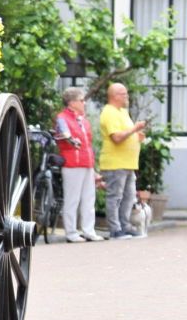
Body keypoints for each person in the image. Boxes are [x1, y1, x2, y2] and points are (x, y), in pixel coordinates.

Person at [55, 87, 104, 243]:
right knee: (72, 199)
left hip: (86, 163)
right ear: (72, 102)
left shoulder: (83, 120)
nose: (84, 103)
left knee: (89, 199)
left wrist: (93, 168)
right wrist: (70, 139)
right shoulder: (62, 117)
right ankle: (71, 232)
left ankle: (89, 230)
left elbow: (88, 144)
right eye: (82, 100)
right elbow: (64, 135)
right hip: (72, 163)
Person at [99, 83, 147, 239]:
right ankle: (115, 229)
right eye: (124, 94)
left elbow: (126, 134)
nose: (127, 97)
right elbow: (116, 137)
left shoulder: (123, 112)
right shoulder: (109, 112)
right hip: (115, 163)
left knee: (128, 196)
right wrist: (134, 129)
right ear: (115, 96)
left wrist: (136, 136)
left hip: (128, 163)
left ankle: (125, 226)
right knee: (115, 196)